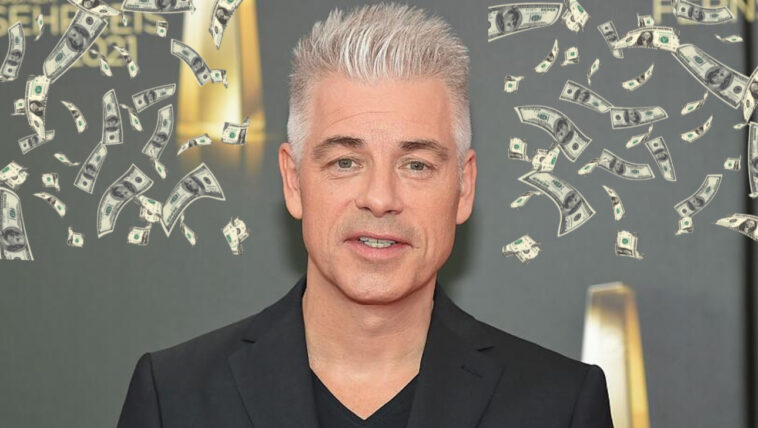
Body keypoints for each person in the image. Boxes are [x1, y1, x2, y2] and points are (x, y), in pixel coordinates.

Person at [117, 3, 614, 427]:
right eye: (345, 162)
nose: (380, 198)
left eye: (416, 165)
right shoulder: (174, 397)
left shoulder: (560, 405)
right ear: (294, 181)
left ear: (464, 188)